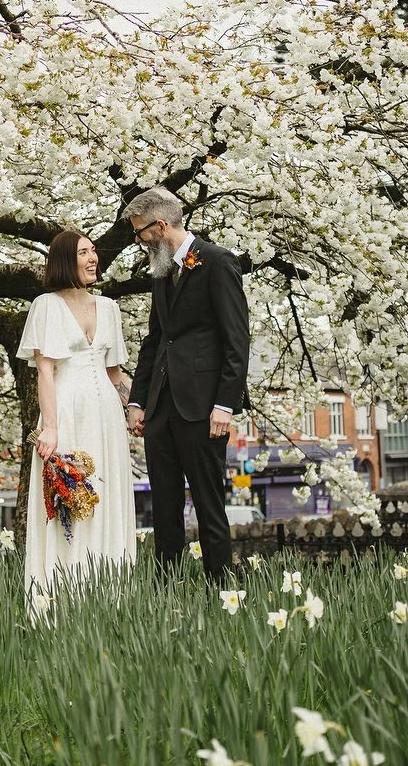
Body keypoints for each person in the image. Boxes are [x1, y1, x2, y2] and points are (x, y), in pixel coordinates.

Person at [123, 187, 250, 583]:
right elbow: (155, 340)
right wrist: (138, 400)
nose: (139, 241)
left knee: (209, 503)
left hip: (203, 408)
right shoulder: (162, 270)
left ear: (161, 226)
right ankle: (167, 591)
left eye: (140, 232)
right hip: (161, 409)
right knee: (164, 504)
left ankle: (219, 589)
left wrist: (225, 405)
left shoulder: (217, 262)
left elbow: (237, 339)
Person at [18, 229, 137, 602]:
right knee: (70, 501)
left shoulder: (110, 309)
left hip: (105, 417)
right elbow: (45, 370)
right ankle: (63, 595)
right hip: (66, 414)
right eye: (84, 252)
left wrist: (134, 408)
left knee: (105, 494)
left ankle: (109, 596)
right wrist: (49, 429)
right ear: (66, 260)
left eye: (93, 251)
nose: (93, 258)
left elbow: (114, 372)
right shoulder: (46, 306)